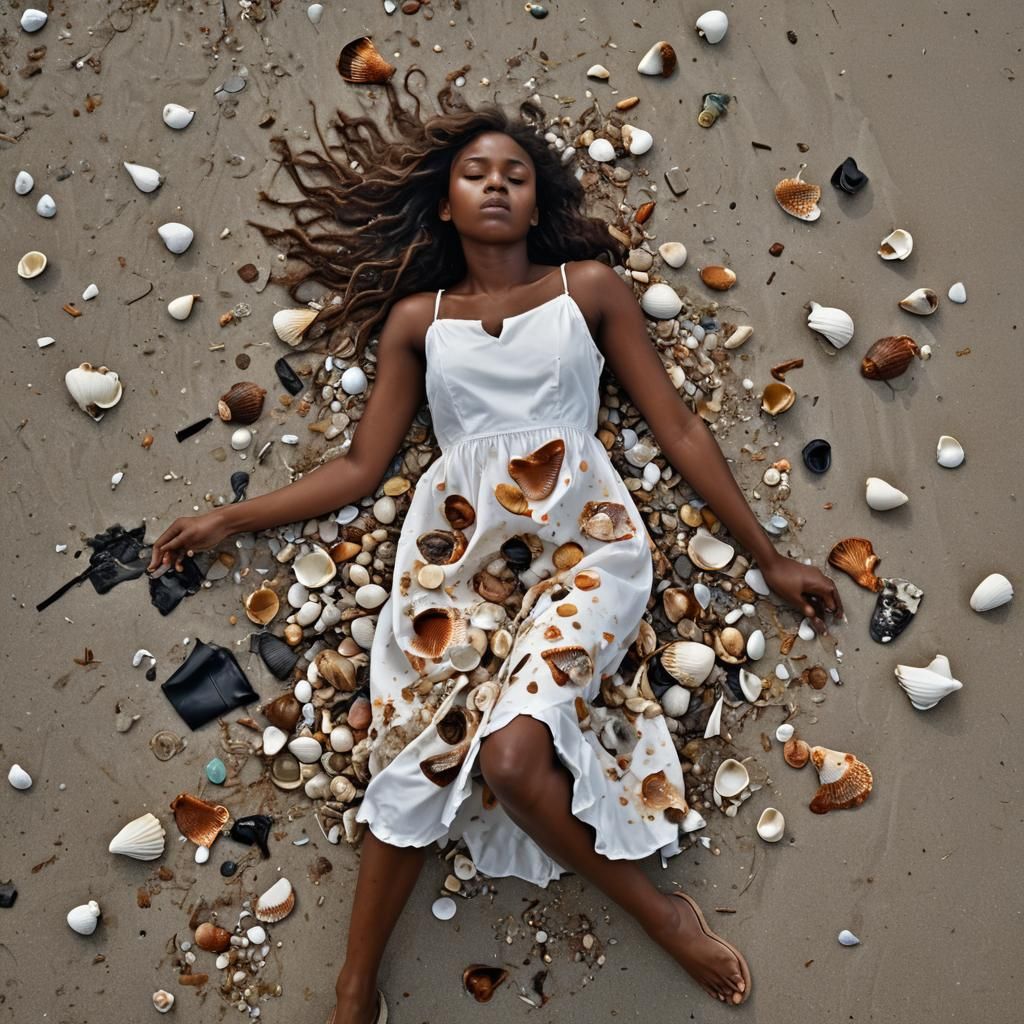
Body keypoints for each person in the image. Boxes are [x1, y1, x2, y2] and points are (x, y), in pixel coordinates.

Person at [147, 76, 843, 1022]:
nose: (497, 185)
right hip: (457, 560)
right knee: (419, 757)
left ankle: (656, 912)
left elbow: (674, 425)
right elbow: (360, 467)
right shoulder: (416, 321)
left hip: (585, 549)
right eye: (476, 172)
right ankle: (356, 985)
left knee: (514, 762)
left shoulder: (585, 291)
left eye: (515, 173)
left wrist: (767, 558)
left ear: (536, 199)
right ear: (446, 201)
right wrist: (231, 518)